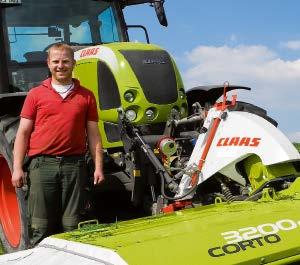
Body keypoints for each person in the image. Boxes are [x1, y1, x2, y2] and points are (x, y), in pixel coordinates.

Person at [11, 43, 104, 246]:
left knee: (73, 226)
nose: (60, 66)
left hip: (75, 166)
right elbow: (23, 133)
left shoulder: (86, 96)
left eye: (65, 61)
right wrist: (17, 168)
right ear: (48, 63)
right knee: (40, 226)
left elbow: (94, 135)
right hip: (42, 166)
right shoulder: (35, 94)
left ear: (73, 64)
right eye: (56, 61)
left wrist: (98, 167)